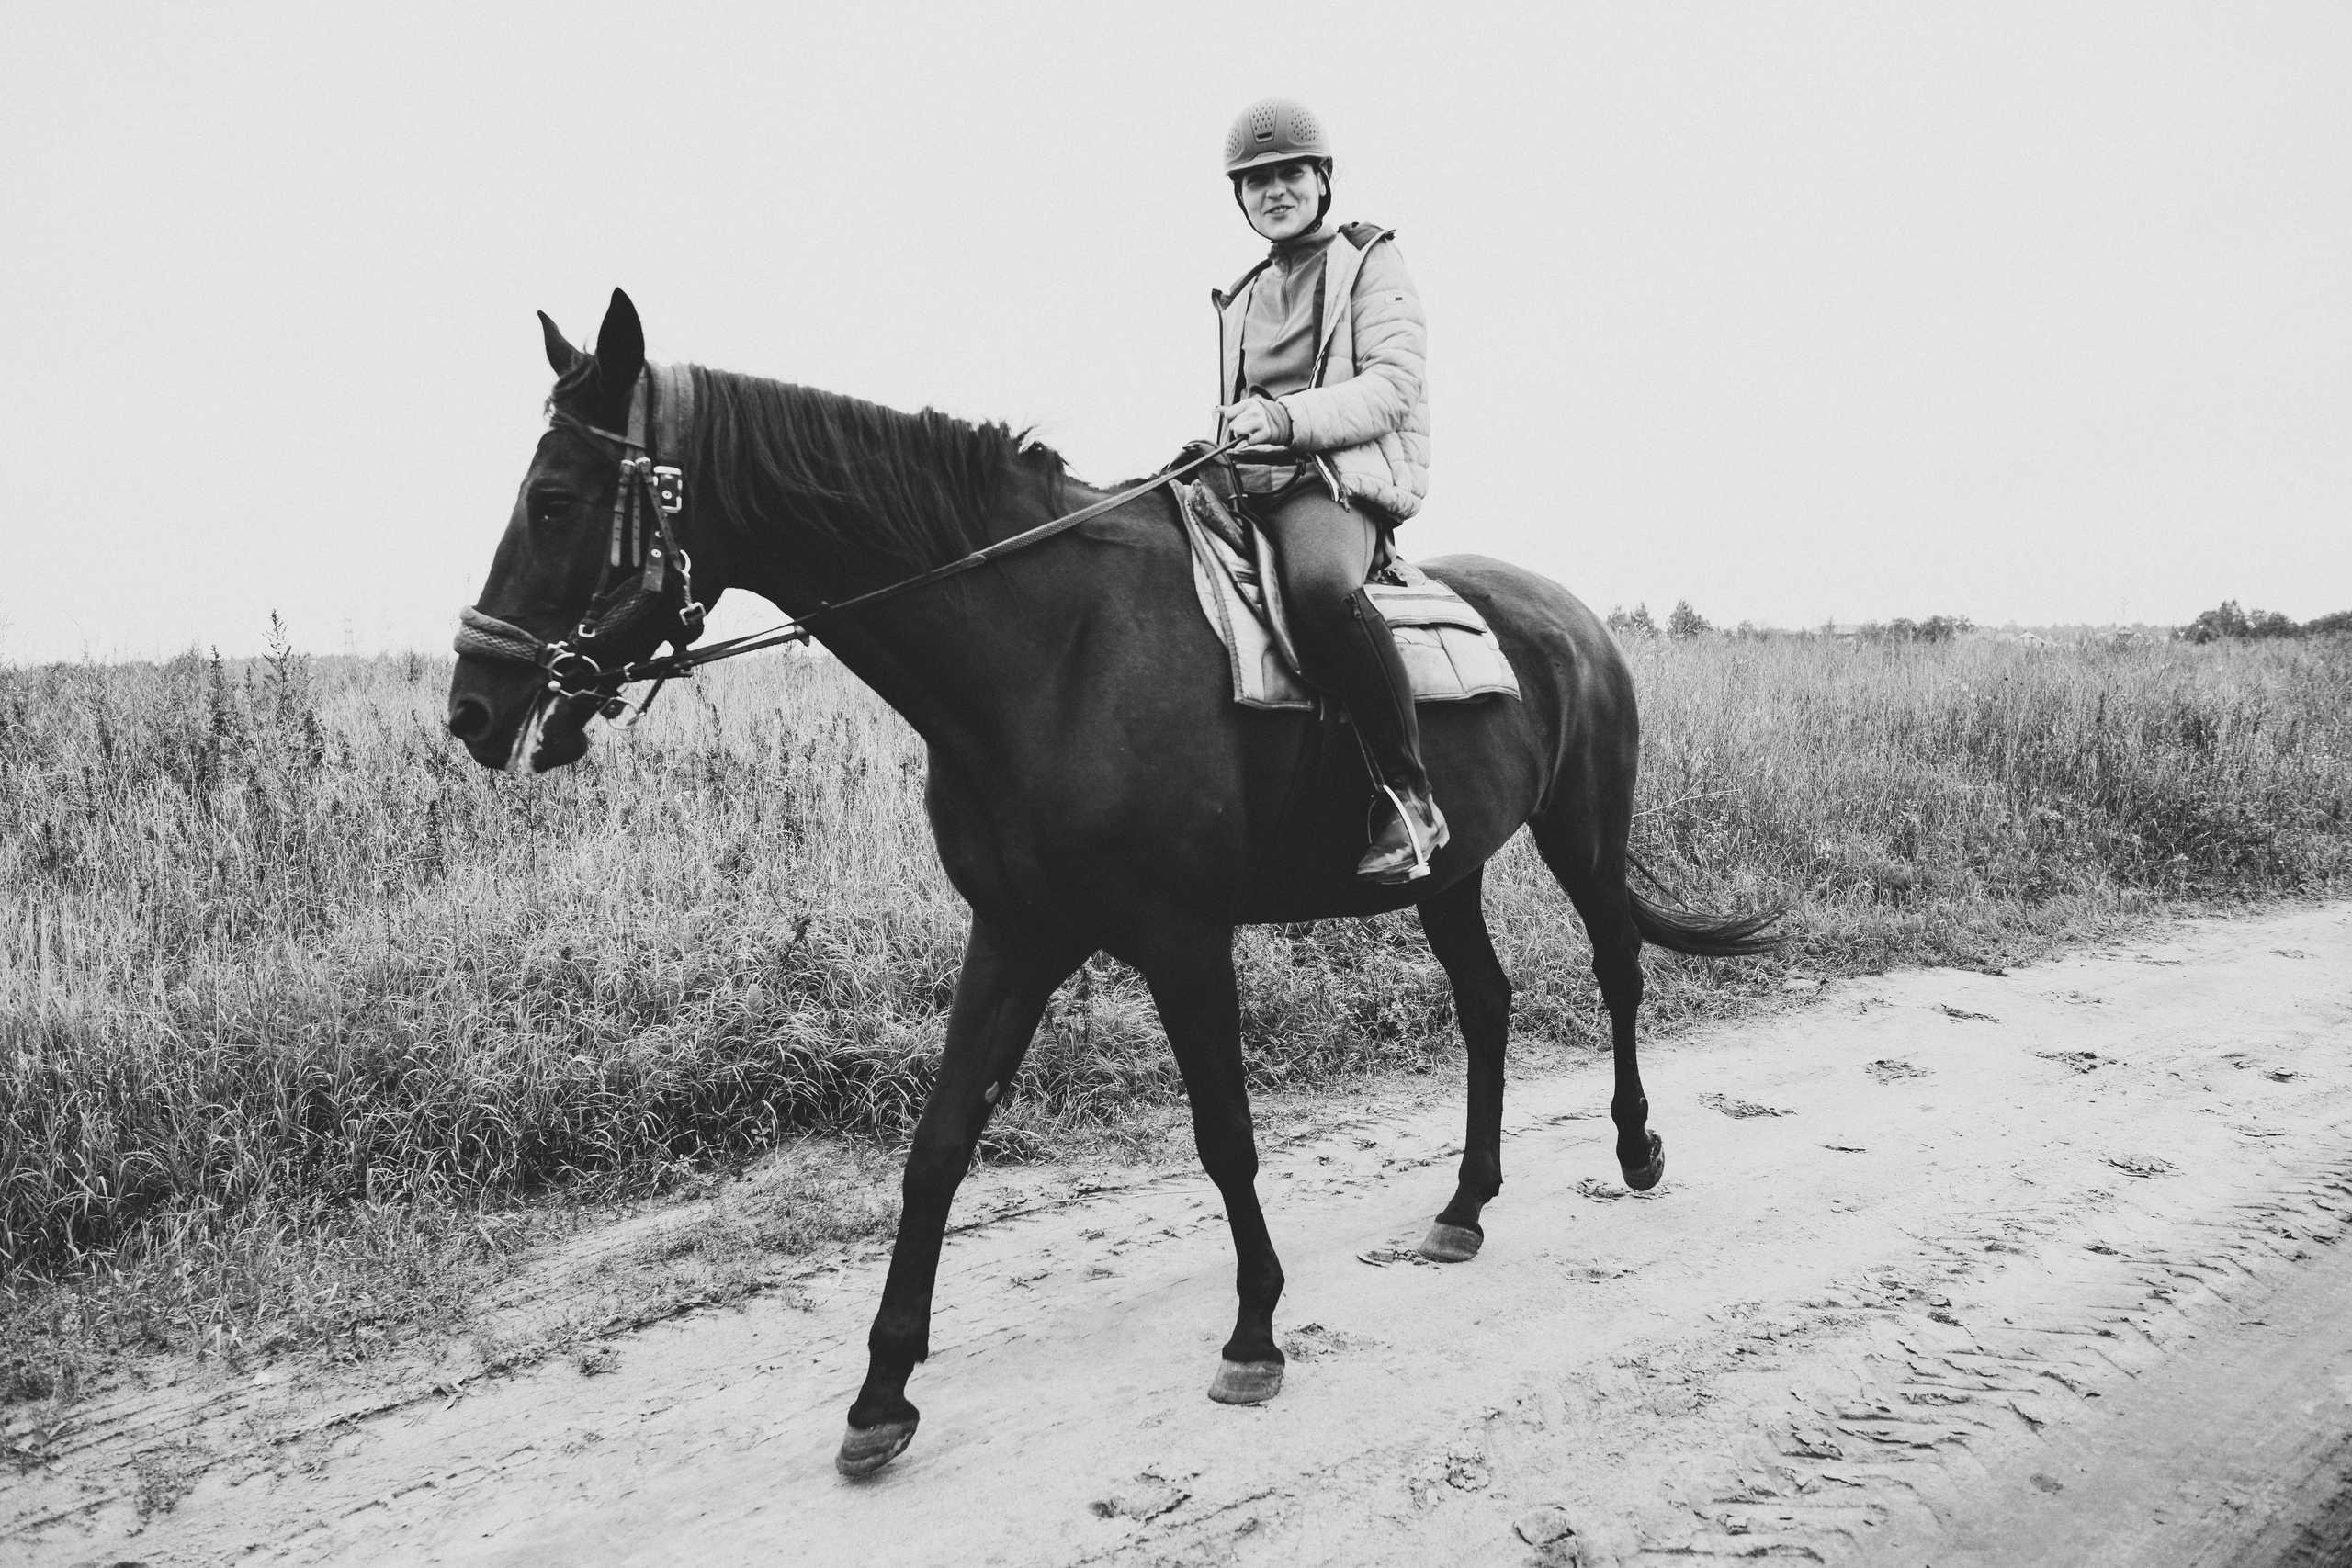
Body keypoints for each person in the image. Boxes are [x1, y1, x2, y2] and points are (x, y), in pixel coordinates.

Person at [1211, 97, 1443, 883]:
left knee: (1316, 585)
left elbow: (1392, 386)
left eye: (1289, 174)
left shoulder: (1371, 260)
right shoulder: (1239, 294)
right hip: (1249, 481)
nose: (1274, 191)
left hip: (1338, 484)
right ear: (1239, 197)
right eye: (1256, 180)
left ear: (1322, 178)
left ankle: (1410, 800)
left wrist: (1281, 419)